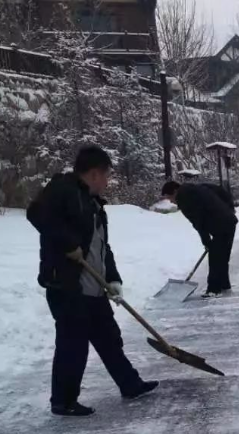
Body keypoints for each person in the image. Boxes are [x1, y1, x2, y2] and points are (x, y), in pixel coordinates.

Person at [26, 145, 158, 417]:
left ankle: (130, 384)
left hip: (93, 286)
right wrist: (67, 243)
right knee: (72, 344)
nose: (108, 181)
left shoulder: (93, 204)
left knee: (109, 338)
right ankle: (63, 401)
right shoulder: (63, 189)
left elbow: (101, 247)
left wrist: (113, 278)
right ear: (95, 173)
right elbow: (37, 214)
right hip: (67, 286)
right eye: (107, 175)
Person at [161, 180, 238, 298]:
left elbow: (198, 222)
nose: (171, 201)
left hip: (221, 225)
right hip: (229, 221)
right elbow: (220, 191)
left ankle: (214, 289)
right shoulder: (198, 187)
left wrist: (206, 241)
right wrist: (229, 209)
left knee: (215, 257)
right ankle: (224, 285)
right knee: (222, 255)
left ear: (175, 191)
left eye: (170, 197)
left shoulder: (184, 199)